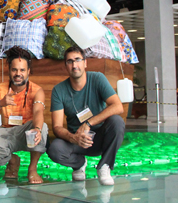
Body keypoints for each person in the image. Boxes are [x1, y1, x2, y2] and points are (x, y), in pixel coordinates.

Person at [46, 46, 125, 186]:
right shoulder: (59, 90)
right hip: (76, 141)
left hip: (100, 138)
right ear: (66, 66)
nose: (74, 65)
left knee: (117, 122)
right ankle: (79, 164)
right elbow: (57, 127)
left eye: (77, 60)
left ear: (85, 62)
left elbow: (118, 106)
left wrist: (88, 123)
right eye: (70, 61)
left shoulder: (98, 78)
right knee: (54, 149)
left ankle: (104, 166)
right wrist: (74, 138)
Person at [0, 46, 48, 184]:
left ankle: (32, 169)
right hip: (6, 131)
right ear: (9, 71)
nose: (18, 73)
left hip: (27, 132)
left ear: (28, 72)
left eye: (22, 70)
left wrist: (37, 129)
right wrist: (0, 103)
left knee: (42, 127)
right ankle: (13, 161)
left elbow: (38, 111)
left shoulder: (37, 90)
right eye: (14, 69)